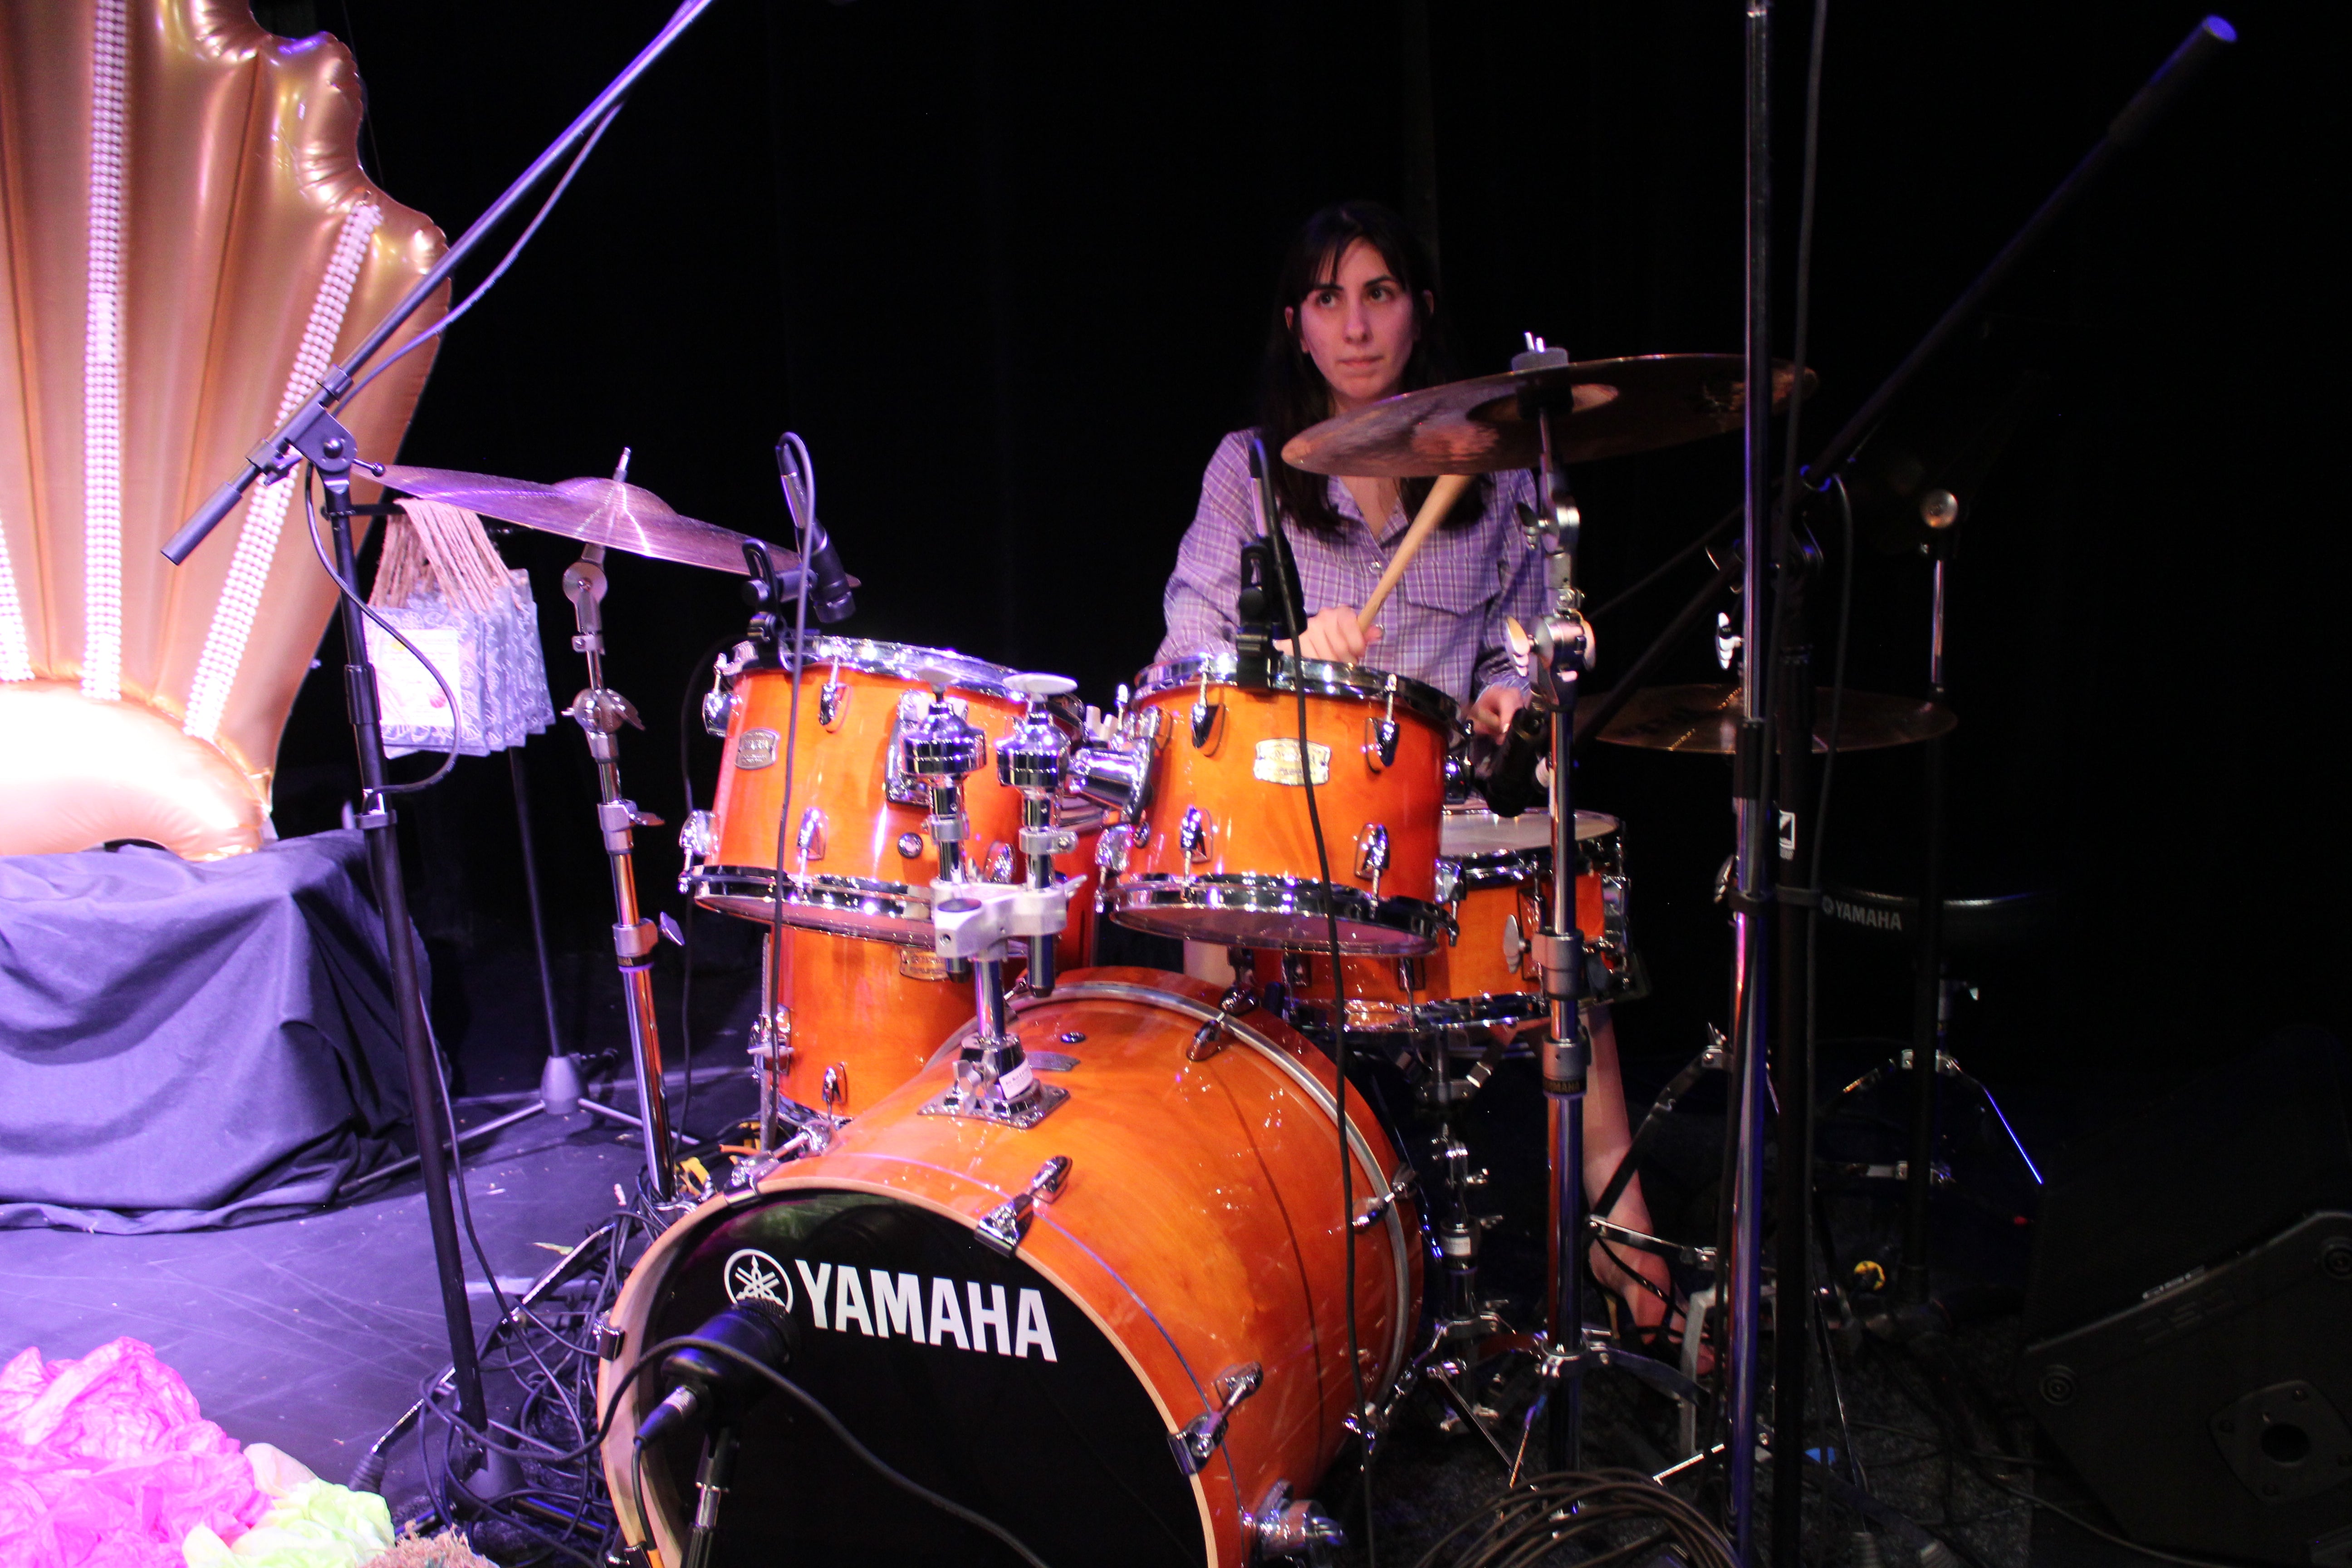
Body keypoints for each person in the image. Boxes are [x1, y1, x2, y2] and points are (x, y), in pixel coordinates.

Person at [1153, 200, 1690, 1349]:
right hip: (1293, 822)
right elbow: (1180, 656)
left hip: (1436, 821)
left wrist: (1514, 690)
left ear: (1422, 311)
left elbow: (1535, 630)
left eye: (1380, 294)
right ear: (1295, 325)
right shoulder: (1249, 475)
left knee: (1560, 887)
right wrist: (1288, 653)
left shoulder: (1495, 475)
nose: (1356, 327)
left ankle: (1615, 1213)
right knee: (1211, 896)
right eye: (1329, 299)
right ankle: (1225, 1226)